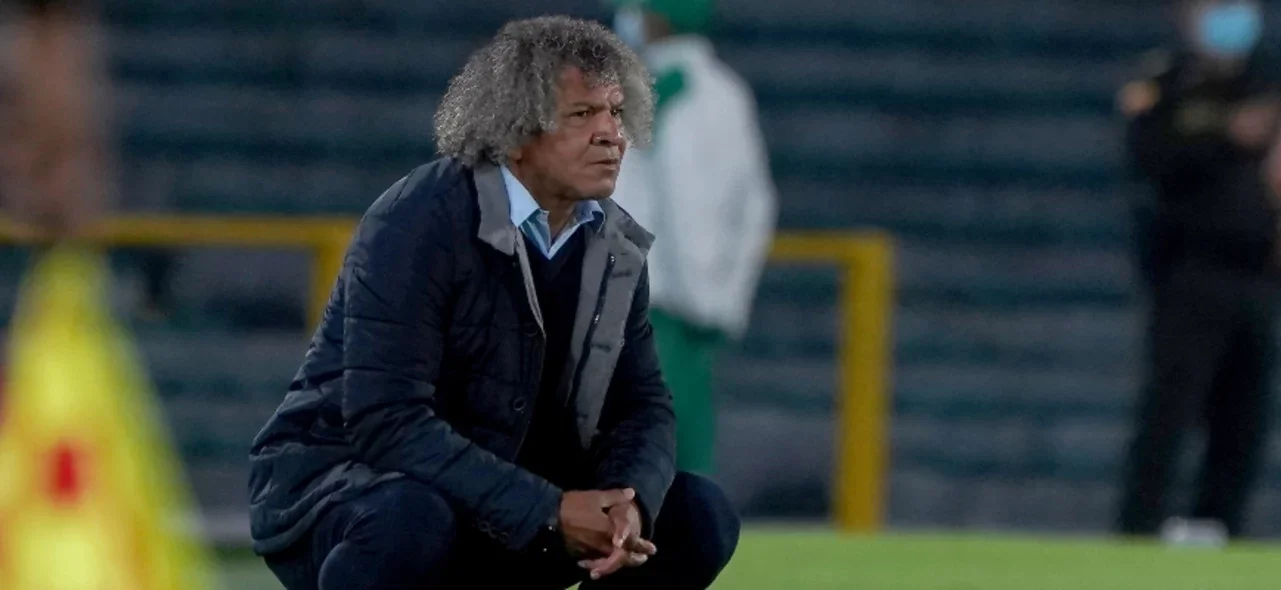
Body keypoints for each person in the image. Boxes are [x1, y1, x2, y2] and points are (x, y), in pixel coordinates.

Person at [247, 16, 740, 590]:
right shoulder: (417, 217)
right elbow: (386, 421)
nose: (612, 134)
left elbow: (644, 406)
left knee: (698, 515)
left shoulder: (616, 246)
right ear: (515, 131)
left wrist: (625, 505)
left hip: (516, 501)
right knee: (409, 522)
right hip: (357, 487)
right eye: (583, 115)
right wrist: (550, 510)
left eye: (616, 112)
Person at [1116, 0, 1281, 539]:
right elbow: (1149, 161)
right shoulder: (1167, 82)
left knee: (1244, 414)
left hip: (1260, 273)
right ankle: (1140, 525)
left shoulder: (1266, 81)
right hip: (1192, 267)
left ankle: (1219, 525)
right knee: (1171, 404)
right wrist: (1224, 137)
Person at [608, 0, 778, 475]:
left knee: (666, 441)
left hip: (673, 300)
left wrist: (721, 295)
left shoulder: (716, 97)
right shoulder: (623, 90)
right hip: (650, 293)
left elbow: (749, 204)